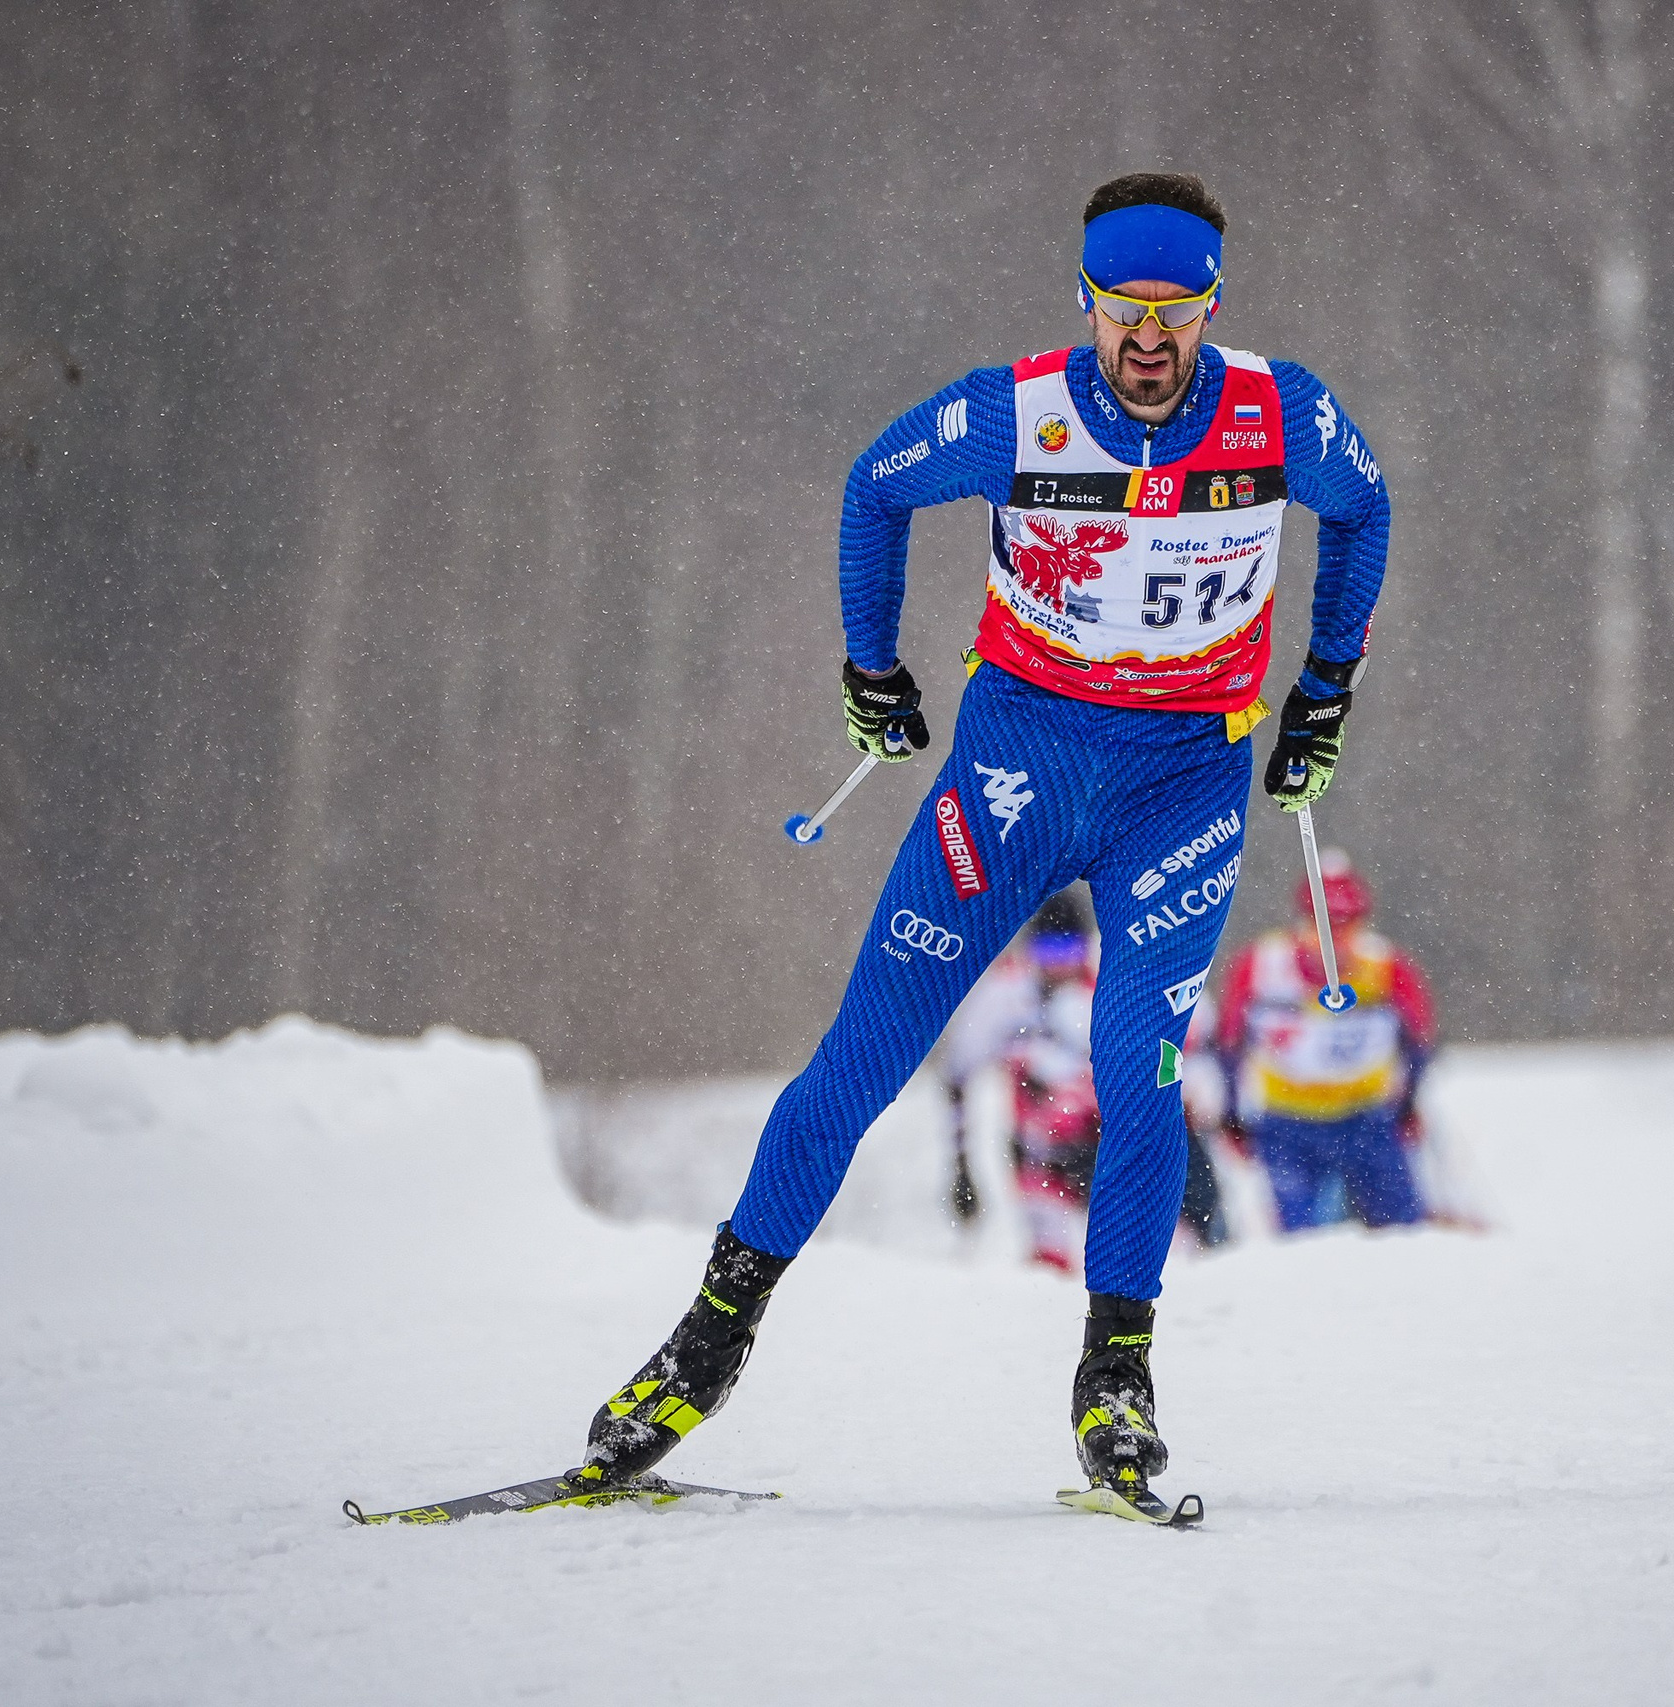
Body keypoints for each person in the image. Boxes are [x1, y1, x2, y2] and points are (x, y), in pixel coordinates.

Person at [573, 171, 1390, 1512]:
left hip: (1181, 785)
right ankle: (706, 1342)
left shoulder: (1280, 411)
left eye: (1175, 313)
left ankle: (1114, 1375)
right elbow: (873, 485)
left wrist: (1326, 686)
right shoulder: (1017, 412)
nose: (1147, 341)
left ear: (1211, 309)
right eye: (1123, 311)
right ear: (1086, 304)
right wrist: (869, 670)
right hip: (1015, 775)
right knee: (860, 1064)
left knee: (1139, 1066)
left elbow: (1365, 509)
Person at [941, 891, 1228, 1271]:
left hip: (1125, 1138)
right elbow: (959, 1072)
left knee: (1160, 1256)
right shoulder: (1005, 995)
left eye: (1069, 952)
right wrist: (961, 1166)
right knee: (1050, 1266)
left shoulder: (1118, 974)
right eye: (1048, 953)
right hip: (1045, 1152)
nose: (1059, 966)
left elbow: (1187, 1040)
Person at [1216, 849, 1437, 1233]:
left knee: (1403, 1232)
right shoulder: (1261, 963)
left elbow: (1420, 1040)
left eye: (1348, 925)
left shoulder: (1388, 965)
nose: (1336, 938)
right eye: (1323, 925)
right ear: (1301, 920)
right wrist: (1233, 1116)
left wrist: (1408, 1106)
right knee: (1302, 1239)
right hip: (1288, 1121)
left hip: (1365, 1117)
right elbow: (1229, 1043)